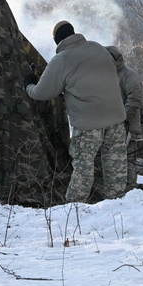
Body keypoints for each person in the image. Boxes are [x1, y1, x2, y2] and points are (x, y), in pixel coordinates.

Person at [26, 21, 127, 203]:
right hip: (116, 119)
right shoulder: (98, 48)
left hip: (89, 124)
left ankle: (74, 208)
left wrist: (29, 86)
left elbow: (43, 92)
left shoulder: (62, 59)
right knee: (116, 166)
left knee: (83, 165)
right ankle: (117, 203)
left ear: (57, 40)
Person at [105, 45, 143, 187]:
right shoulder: (106, 75)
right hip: (112, 127)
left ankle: (130, 190)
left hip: (127, 126)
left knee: (128, 161)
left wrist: (122, 119)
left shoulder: (129, 75)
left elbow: (135, 100)